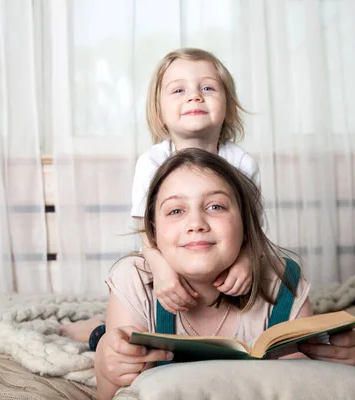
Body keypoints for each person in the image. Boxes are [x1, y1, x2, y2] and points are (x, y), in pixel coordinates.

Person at [94, 148, 355, 400]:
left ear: (245, 225)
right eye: (176, 211)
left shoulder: (281, 282)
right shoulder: (134, 279)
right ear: (153, 233)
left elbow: (306, 380)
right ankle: (94, 330)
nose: (196, 223)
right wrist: (108, 367)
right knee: (101, 339)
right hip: (136, 313)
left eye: (215, 206)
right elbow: (113, 393)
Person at [60, 47, 260, 344]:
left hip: (218, 264)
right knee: (130, 336)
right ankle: (94, 329)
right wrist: (163, 270)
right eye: (178, 90)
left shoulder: (242, 163)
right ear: (160, 113)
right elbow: (147, 233)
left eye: (207, 87)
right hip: (166, 259)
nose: (194, 96)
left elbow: (252, 230)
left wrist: (246, 260)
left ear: (229, 108)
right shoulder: (151, 163)